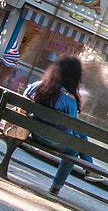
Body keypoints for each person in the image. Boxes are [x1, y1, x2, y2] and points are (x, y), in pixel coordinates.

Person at [25, 55, 85, 196]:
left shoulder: (36, 87)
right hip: (54, 142)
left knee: (80, 137)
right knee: (75, 148)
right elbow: (71, 128)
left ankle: (91, 169)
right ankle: (56, 186)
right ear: (75, 77)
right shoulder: (69, 99)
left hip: (33, 134)